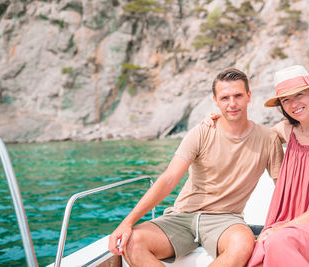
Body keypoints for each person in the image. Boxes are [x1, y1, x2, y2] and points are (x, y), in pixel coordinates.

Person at [108, 67, 284, 267]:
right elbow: (169, 178)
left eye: (238, 96)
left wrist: (279, 225)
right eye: (225, 98)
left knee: (242, 245)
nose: (232, 103)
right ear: (215, 101)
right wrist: (127, 222)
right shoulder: (202, 132)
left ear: (249, 96)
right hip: (182, 216)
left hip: (225, 220)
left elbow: (282, 189)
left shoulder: (268, 139)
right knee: (132, 242)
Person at [206, 65, 309, 266]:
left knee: (277, 241)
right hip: (293, 224)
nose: (293, 103)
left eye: (299, 95)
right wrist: (220, 121)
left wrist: (283, 228)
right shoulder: (287, 130)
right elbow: (247, 139)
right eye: (286, 99)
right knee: (258, 251)